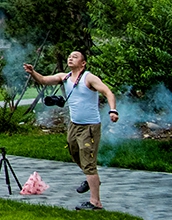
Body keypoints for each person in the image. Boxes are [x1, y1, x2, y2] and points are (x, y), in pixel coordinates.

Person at [23, 51, 119, 210]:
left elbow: (108, 92)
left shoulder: (89, 78)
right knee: (74, 152)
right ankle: (92, 179)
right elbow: (44, 80)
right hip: (74, 125)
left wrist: (113, 110)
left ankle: (96, 202)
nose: (70, 58)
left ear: (83, 63)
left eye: (75, 57)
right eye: (69, 56)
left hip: (89, 126)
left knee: (88, 161)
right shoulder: (65, 77)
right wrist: (32, 72)